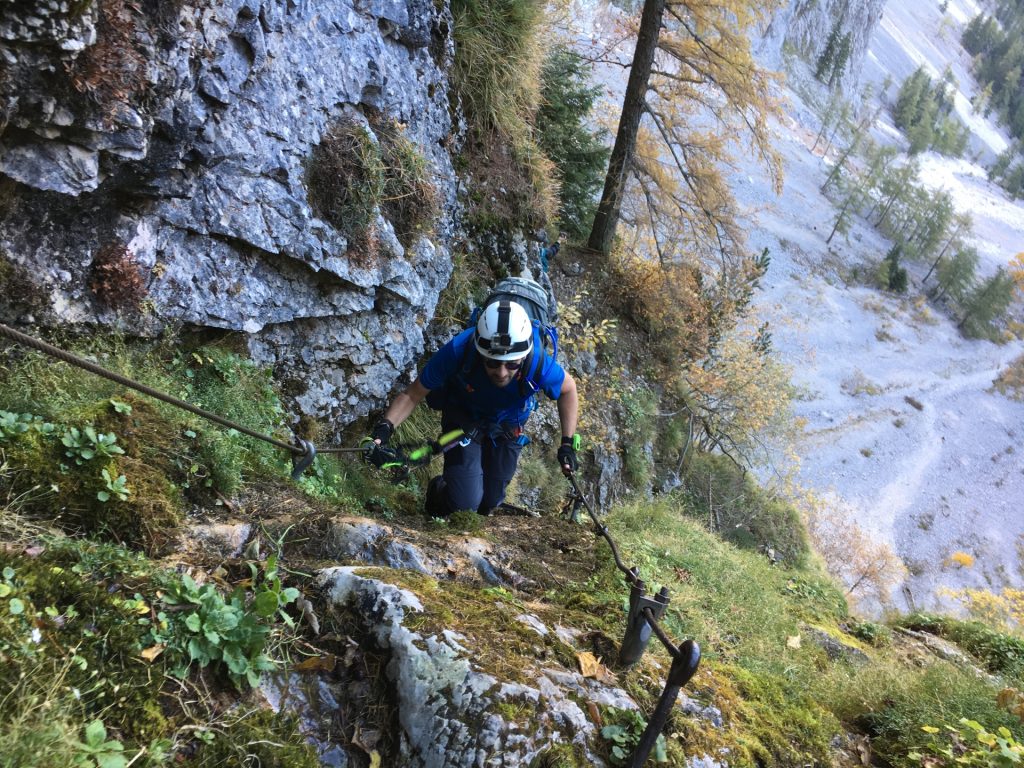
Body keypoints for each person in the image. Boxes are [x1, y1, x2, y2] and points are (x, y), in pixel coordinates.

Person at [367, 299, 579, 517]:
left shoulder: (538, 362)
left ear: (524, 356)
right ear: (480, 353)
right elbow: (412, 395)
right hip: (463, 421)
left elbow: (568, 389)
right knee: (465, 506)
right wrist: (384, 429)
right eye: (493, 362)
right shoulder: (459, 350)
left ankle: (471, 492)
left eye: (512, 364)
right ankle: (440, 492)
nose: (502, 372)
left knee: (490, 503)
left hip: (507, 427)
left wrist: (567, 444)